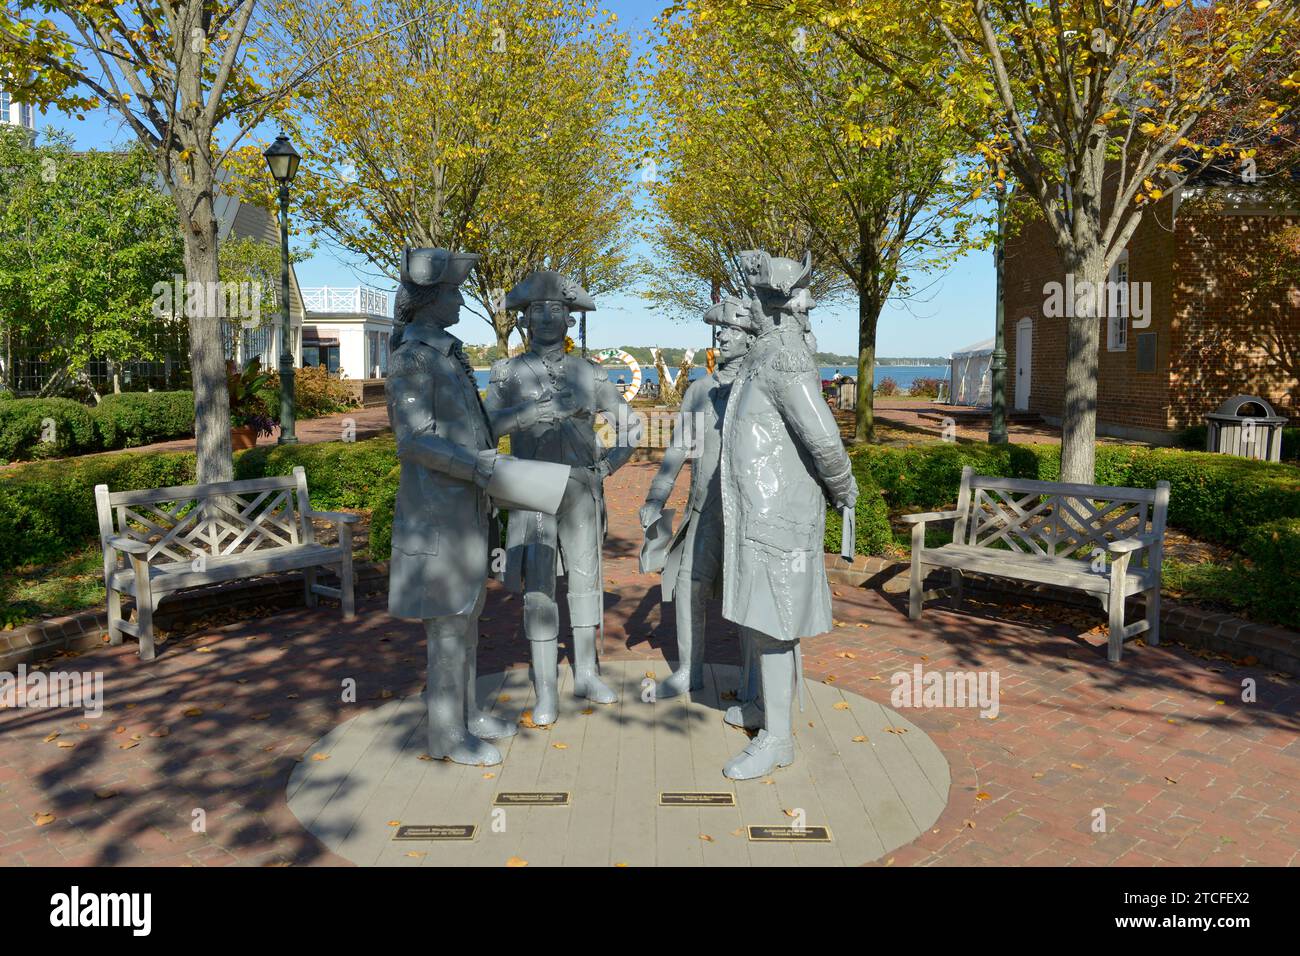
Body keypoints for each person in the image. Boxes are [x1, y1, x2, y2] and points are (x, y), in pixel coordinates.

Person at [718, 250, 857, 780]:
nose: (744, 307)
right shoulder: (765, 353)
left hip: (779, 518)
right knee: (760, 617)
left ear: (771, 304)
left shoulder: (785, 358)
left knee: (774, 623)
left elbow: (823, 437)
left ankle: (778, 739)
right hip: (759, 512)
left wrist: (844, 488)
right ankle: (763, 710)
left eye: (754, 298)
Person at [484, 271, 641, 726]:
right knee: (538, 588)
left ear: (570, 320)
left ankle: (588, 673)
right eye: (538, 310)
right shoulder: (507, 373)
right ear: (525, 319)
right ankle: (545, 688)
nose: (548, 318)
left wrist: (606, 467)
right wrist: (524, 416)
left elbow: (629, 425)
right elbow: (484, 429)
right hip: (531, 491)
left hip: (579, 490)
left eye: (557, 310)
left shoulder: (589, 372)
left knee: (587, 580)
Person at [385, 247, 519, 766]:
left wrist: (525, 415)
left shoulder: (444, 354)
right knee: (446, 623)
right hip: (436, 517)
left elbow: (473, 430)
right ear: (430, 299)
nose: (462, 299)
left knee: (467, 615)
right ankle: (445, 734)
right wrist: (480, 468)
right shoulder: (412, 359)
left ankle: (465, 714)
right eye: (453, 292)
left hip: (465, 511)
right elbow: (414, 441)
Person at [639, 295, 756, 700]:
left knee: (749, 595)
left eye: (731, 331)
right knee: (689, 587)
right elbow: (677, 449)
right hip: (703, 510)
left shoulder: (760, 389)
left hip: (747, 514)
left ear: (751, 337)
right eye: (718, 330)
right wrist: (657, 496)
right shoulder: (699, 390)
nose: (720, 337)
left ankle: (753, 682)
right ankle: (688, 672)